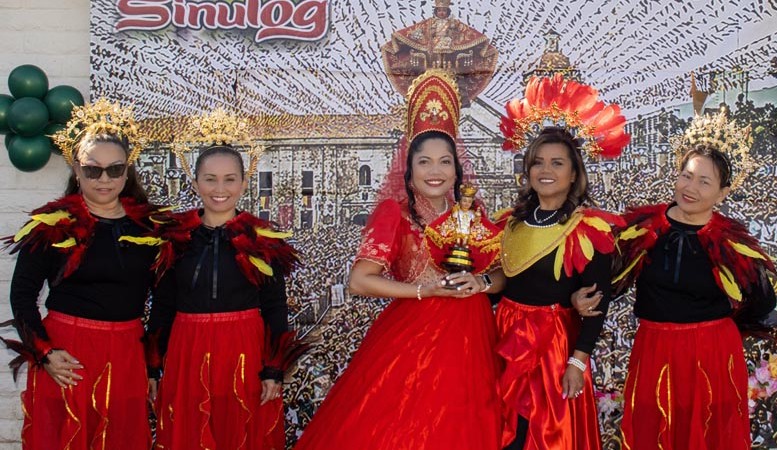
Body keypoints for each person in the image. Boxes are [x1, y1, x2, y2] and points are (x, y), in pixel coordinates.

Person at [294, 69, 504, 450]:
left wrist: (483, 283)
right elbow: (359, 280)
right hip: (414, 335)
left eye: (445, 162)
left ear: (457, 169)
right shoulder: (397, 214)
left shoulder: (473, 213)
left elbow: (502, 273)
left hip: (473, 339)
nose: (435, 172)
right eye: (425, 162)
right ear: (409, 168)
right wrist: (424, 290)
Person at [607, 111, 777, 450]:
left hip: (712, 354)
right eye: (687, 176)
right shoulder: (643, 228)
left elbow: (763, 301)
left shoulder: (731, 243)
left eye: (704, 182)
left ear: (722, 193)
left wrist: (721, 328)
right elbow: (612, 281)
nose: (691, 188)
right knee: (652, 431)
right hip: (654, 350)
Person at [3, 99, 158, 449]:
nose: (104, 179)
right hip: (67, 355)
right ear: (76, 170)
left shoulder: (151, 230)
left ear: (127, 171)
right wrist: (44, 352)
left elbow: (164, 299)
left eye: (114, 170)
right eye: (92, 170)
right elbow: (22, 295)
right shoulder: (52, 225)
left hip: (127, 355)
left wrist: (152, 366)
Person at [142, 110, 301, 450]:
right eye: (210, 179)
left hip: (244, 349)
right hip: (187, 349)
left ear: (244, 182)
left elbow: (275, 306)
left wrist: (274, 369)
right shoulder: (174, 237)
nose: (220, 189)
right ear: (195, 181)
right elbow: (163, 303)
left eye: (230, 179)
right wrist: (153, 366)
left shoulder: (263, 239)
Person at [495, 74, 629, 450]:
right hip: (505, 340)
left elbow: (597, 302)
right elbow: (501, 284)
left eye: (557, 163)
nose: (546, 170)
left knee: (546, 435)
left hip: (552, 348)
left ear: (573, 175)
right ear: (527, 171)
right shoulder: (509, 223)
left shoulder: (587, 229)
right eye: (538, 162)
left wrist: (578, 361)